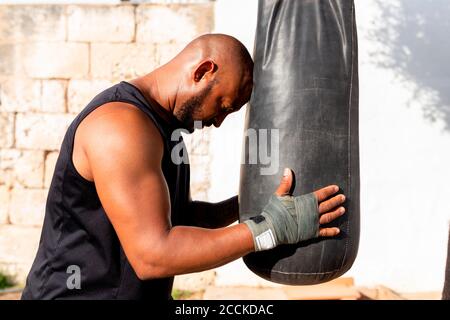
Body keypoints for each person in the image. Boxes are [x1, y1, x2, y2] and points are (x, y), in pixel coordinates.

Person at [21, 34, 346, 300]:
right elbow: (153, 255)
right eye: (223, 106)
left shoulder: (162, 128)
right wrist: (268, 229)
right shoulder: (120, 128)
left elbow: (180, 218)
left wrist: (248, 206)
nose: (218, 122)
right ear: (203, 71)